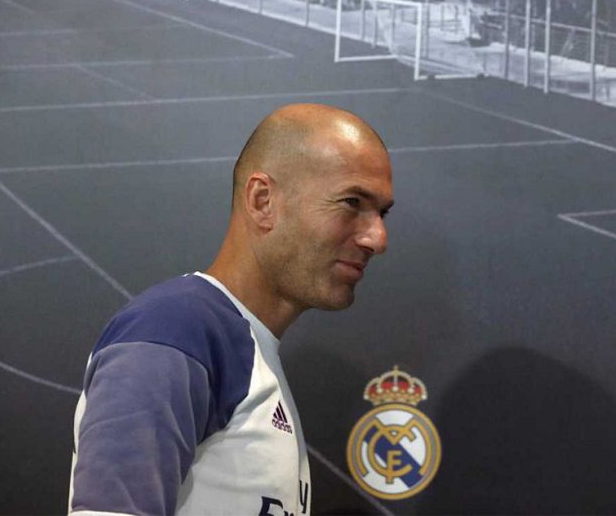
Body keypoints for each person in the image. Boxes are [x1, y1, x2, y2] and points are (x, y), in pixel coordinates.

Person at [67, 103, 394, 515]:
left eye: (382, 213)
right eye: (351, 202)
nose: (377, 238)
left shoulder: (244, 347)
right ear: (262, 200)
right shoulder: (176, 330)